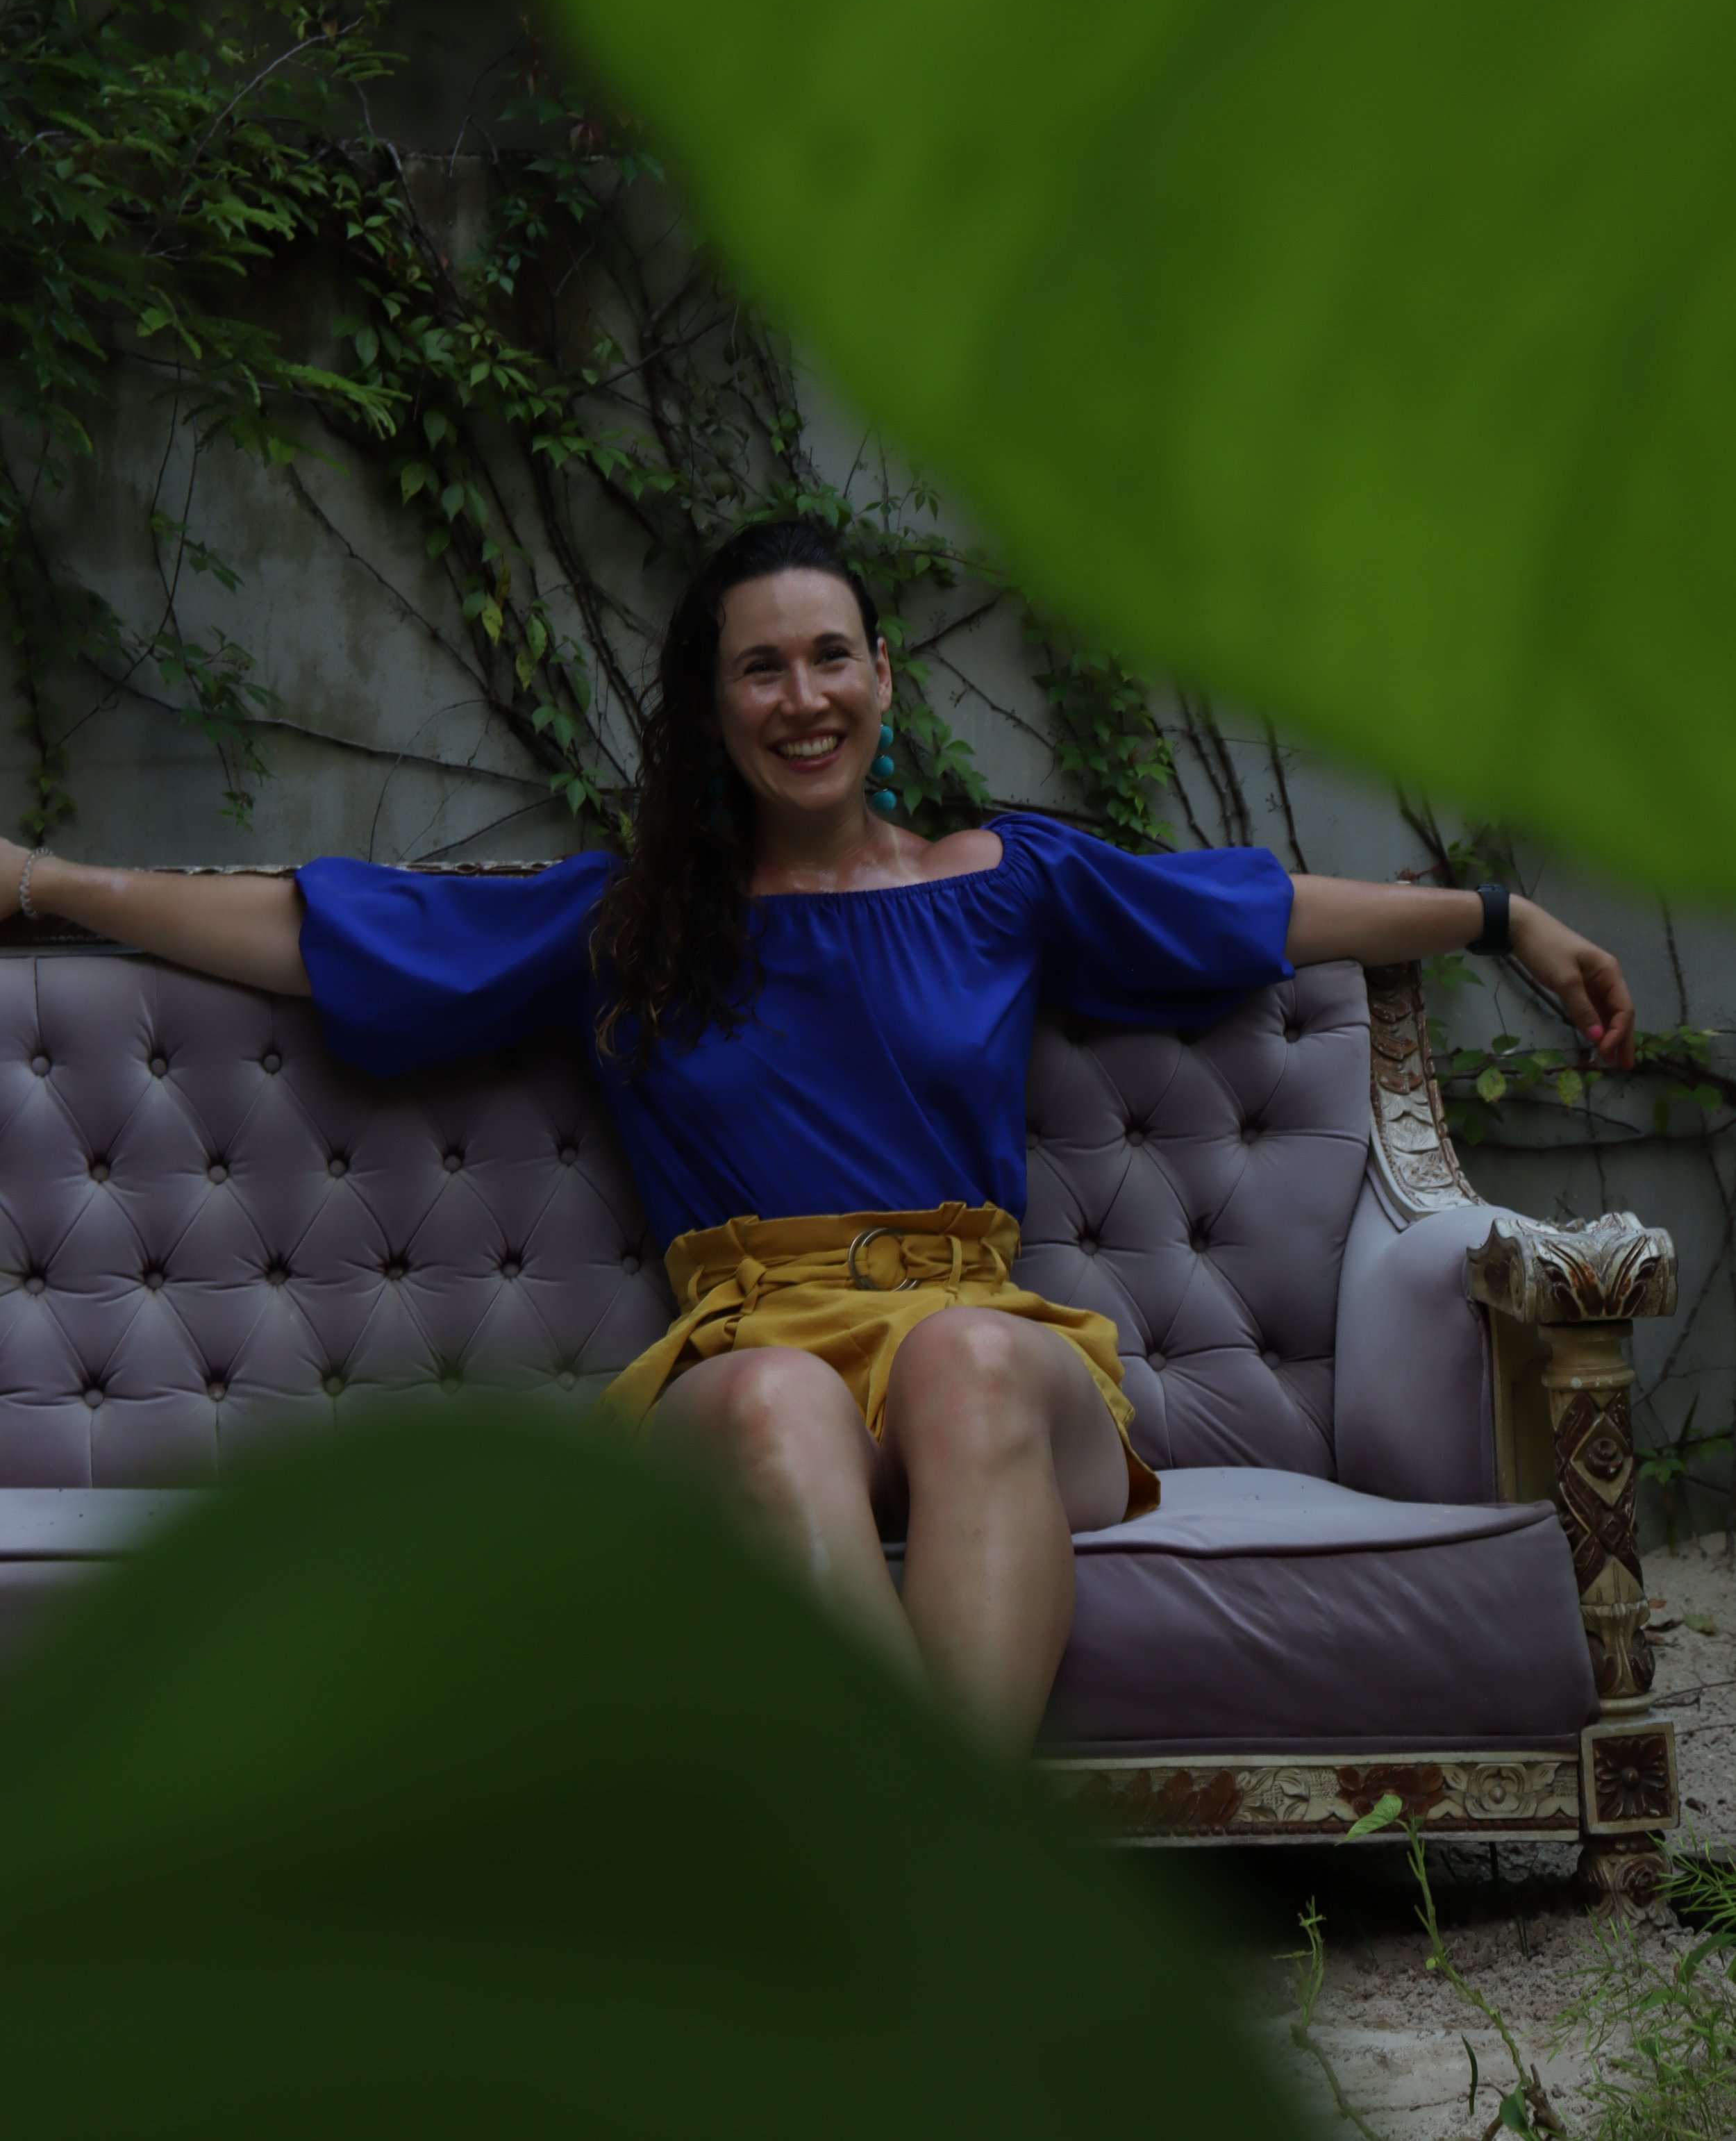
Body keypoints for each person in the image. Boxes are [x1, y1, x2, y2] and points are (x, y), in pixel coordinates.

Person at [0, 521, 1637, 1749]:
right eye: (760, 668)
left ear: (881, 676)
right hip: (749, 1345)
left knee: (967, 1362)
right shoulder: (630, 923)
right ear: (711, 708)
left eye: (830, 657)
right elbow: (324, 932)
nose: (804, 698)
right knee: (775, 1394)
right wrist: (44, 881)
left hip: (985, 1339)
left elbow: (1255, 910)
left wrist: (1499, 917)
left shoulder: (1005, 882)